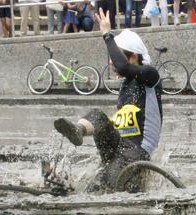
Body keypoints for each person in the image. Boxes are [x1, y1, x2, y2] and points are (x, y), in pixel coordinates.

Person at [53, 9, 163, 193]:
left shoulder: (150, 76)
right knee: (98, 116)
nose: (112, 62)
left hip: (136, 152)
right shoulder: (126, 84)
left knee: (97, 190)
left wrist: (107, 34)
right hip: (117, 146)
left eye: (116, 56)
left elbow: (122, 65)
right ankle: (77, 131)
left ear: (133, 57)